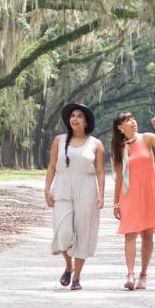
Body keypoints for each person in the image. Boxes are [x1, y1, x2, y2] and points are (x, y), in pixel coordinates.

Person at [111, 110, 155, 291]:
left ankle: (143, 275)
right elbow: (119, 177)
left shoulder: (147, 138)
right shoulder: (119, 148)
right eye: (127, 120)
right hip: (129, 195)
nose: (132, 122)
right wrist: (116, 203)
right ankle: (130, 274)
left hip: (148, 193)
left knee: (147, 235)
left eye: (133, 118)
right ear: (120, 127)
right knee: (129, 234)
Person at [44, 102, 105, 291]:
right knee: (63, 232)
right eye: (72, 116)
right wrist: (47, 188)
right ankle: (68, 265)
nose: (75, 119)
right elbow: (52, 166)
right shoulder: (59, 140)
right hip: (62, 187)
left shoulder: (96, 144)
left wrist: (101, 194)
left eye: (79, 116)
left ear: (86, 122)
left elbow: (101, 172)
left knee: (83, 233)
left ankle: (77, 277)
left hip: (86, 188)